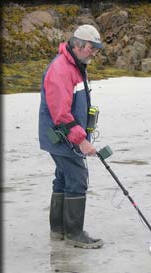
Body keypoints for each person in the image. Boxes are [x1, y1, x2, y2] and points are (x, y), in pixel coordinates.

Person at [38, 24, 104, 249]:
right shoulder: (61, 69)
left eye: (97, 48)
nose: (94, 52)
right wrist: (82, 140)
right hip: (63, 137)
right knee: (77, 179)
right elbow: (61, 114)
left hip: (63, 137)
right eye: (91, 47)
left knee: (63, 179)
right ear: (78, 44)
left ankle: (59, 230)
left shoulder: (75, 66)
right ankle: (74, 234)